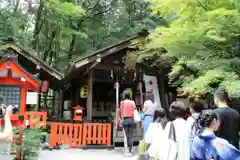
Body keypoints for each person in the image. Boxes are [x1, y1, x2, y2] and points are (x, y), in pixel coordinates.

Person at [119, 89, 136, 157]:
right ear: (130, 95)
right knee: (131, 136)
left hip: (125, 120)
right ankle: (130, 152)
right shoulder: (132, 102)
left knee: (125, 136)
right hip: (131, 120)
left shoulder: (122, 103)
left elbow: (120, 112)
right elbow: (134, 111)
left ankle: (126, 152)